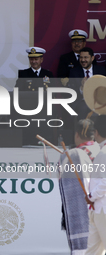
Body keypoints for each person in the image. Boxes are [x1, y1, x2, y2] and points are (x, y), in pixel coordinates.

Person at [58, 119, 100, 255]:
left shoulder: (73, 155)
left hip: (87, 210)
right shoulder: (101, 151)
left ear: (76, 135)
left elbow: (60, 173)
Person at [85, 115, 106, 255]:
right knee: (92, 251)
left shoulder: (104, 152)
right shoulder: (101, 150)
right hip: (96, 208)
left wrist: (92, 196)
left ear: (96, 132)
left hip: (102, 208)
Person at [68, 47, 106, 120]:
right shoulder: (74, 72)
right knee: (84, 108)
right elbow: (71, 93)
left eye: (86, 57)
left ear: (92, 58)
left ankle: (99, 131)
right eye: (81, 57)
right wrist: (82, 88)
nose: (83, 60)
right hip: (81, 102)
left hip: (99, 101)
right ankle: (83, 130)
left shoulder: (101, 70)